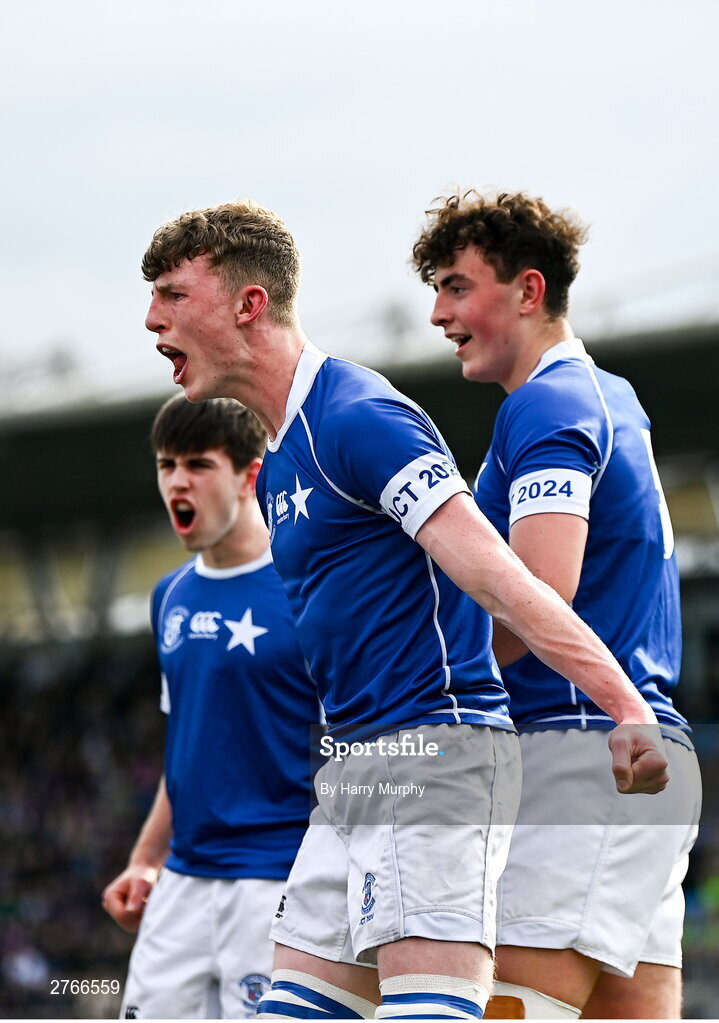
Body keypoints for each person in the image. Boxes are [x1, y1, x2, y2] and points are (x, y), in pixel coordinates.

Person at [142, 199, 669, 1022]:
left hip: (434, 755)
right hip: (353, 770)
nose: (151, 320)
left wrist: (625, 705)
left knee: (454, 1010)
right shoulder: (280, 457)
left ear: (247, 304)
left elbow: (505, 578)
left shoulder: (359, 418)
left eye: (172, 295)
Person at [412, 190, 702, 1019]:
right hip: (635, 756)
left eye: (456, 286)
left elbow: (542, 593)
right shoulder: (610, 395)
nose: (438, 312)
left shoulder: (544, 403)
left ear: (528, 291)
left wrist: (423, 687)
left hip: (579, 756)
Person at [102, 394, 322, 1019]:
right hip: (182, 881)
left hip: (279, 880)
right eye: (166, 465)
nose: (177, 480)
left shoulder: (309, 592)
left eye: (198, 464)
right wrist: (145, 860)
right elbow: (189, 749)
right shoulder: (169, 597)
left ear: (250, 476)